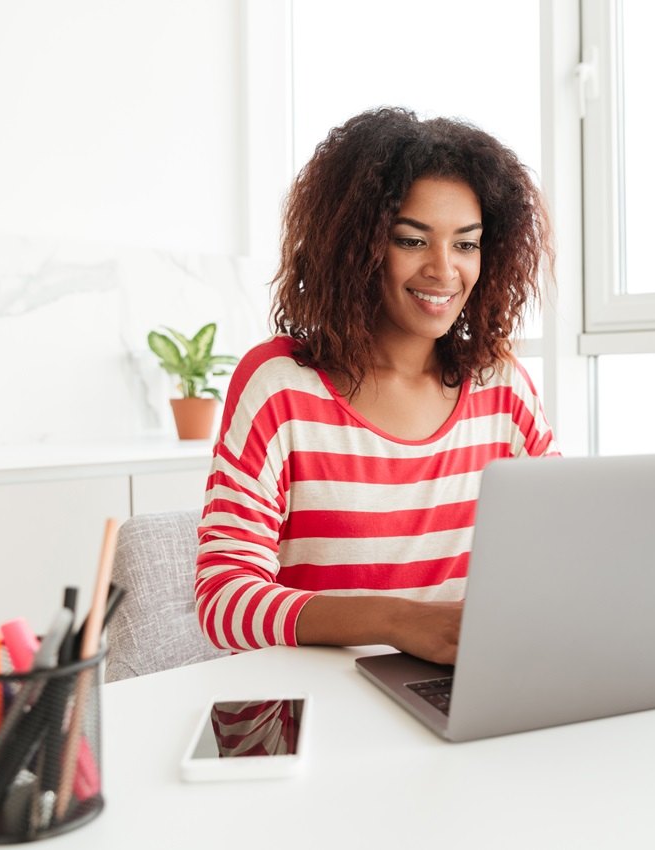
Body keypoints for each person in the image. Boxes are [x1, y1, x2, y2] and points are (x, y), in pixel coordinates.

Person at [194, 107, 557, 666]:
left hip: (464, 691)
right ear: (354, 249)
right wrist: (399, 622)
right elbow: (223, 601)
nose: (444, 269)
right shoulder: (281, 388)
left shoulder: (501, 386)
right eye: (412, 241)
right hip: (321, 710)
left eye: (466, 244)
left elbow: (562, 546)